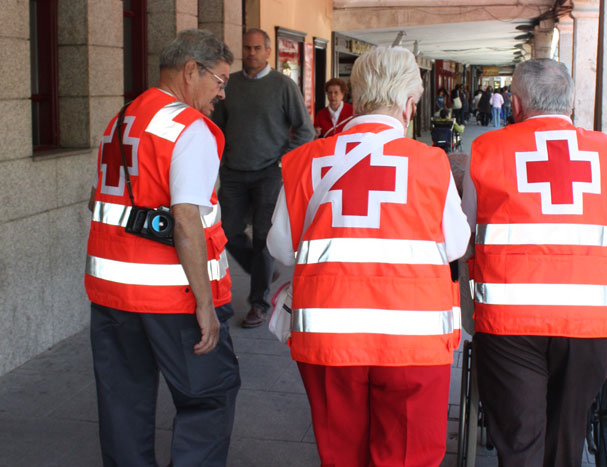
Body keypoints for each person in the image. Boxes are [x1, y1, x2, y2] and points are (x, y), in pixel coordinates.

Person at [267, 46, 470, 466]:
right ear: (409, 105)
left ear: (355, 97)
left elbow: (281, 248)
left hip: (328, 336)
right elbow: (455, 245)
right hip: (413, 340)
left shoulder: (306, 160)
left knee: (341, 453)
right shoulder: (430, 163)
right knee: (409, 454)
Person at [461, 58, 607, 467]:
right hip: (587, 323)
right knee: (567, 437)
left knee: (520, 439)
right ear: (572, 100)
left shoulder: (487, 150)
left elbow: (467, 233)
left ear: (516, 103)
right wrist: (597, 260)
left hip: (510, 322)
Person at [85, 29, 241, 466]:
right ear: (191, 70)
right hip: (173, 298)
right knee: (209, 397)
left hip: (111, 294)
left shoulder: (122, 119)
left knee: (122, 407)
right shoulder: (189, 127)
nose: (222, 94)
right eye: (220, 80)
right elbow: (187, 220)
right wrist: (205, 306)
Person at [212, 28, 314, 328]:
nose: (251, 53)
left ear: (268, 52)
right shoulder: (229, 85)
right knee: (226, 233)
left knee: (262, 238)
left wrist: (283, 162)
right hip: (233, 172)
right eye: (247, 47)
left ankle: (259, 303)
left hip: (269, 173)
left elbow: (305, 131)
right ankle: (264, 272)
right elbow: (216, 127)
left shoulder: (283, 86)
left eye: (257, 48)